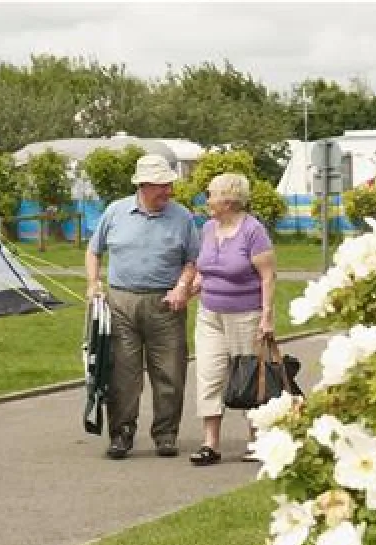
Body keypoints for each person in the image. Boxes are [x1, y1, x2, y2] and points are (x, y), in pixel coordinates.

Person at [85, 154, 201, 460]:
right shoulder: (116, 211)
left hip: (166, 303)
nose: (168, 192)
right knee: (122, 374)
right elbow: (94, 251)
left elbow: (192, 261)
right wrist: (93, 282)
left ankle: (166, 434)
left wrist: (182, 286)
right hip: (121, 301)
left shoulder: (182, 217)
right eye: (162, 186)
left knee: (171, 372)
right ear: (143, 186)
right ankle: (121, 434)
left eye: (169, 185)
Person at [187, 173, 276, 466]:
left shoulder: (253, 231)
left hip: (246, 315)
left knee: (248, 377)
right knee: (209, 376)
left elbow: (267, 276)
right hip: (210, 313)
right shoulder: (209, 228)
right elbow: (205, 267)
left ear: (228, 200)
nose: (207, 201)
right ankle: (210, 443)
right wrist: (192, 287)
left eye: (211, 195)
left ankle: (256, 439)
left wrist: (266, 316)